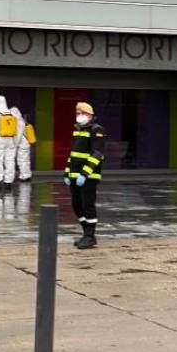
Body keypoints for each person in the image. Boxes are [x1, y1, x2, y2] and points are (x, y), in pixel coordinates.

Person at [63, 102, 105, 250]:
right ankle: (85, 232)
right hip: (75, 176)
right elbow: (73, 154)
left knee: (88, 205)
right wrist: (67, 172)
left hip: (88, 177)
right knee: (76, 205)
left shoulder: (96, 130)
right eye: (77, 113)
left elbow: (97, 155)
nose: (78, 115)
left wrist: (85, 174)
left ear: (89, 114)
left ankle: (90, 235)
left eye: (81, 113)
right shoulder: (78, 130)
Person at [10, 106, 33, 182]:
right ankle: (27, 174)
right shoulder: (21, 121)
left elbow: (18, 135)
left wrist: (14, 145)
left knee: (22, 160)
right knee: (26, 160)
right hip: (25, 144)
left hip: (22, 145)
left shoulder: (19, 122)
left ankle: (24, 176)